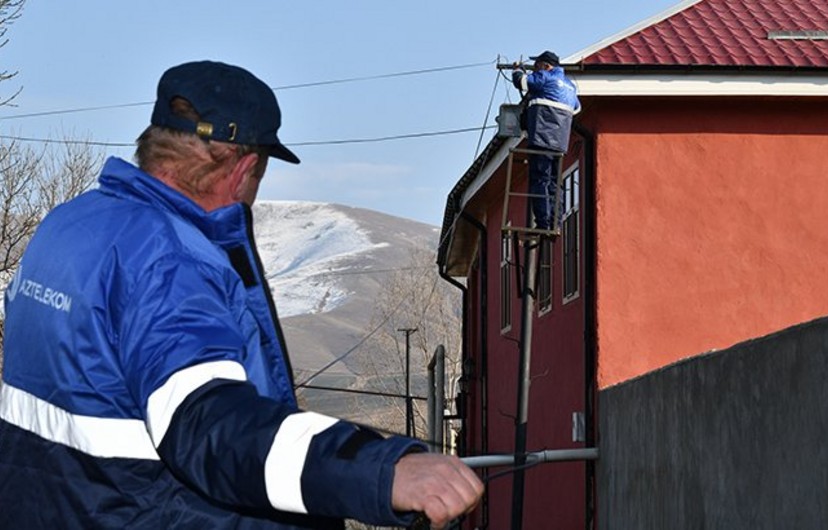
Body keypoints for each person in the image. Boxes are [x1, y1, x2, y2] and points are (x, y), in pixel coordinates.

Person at [0, 60, 482, 529]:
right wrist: (381, 472)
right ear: (245, 168)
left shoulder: (68, 225)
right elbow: (210, 426)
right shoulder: (169, 260)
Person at [512, 50, 581, 230]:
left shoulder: (544, 77)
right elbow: (576, 109)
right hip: (560, 143)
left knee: (540, 179)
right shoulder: (570, 87)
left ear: (546, 66)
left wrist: (517, 70)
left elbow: (521, 82)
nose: (535, 70)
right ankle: (555, 222)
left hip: (542, 139)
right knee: (554, 183)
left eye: (537, 66)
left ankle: (543, 221)